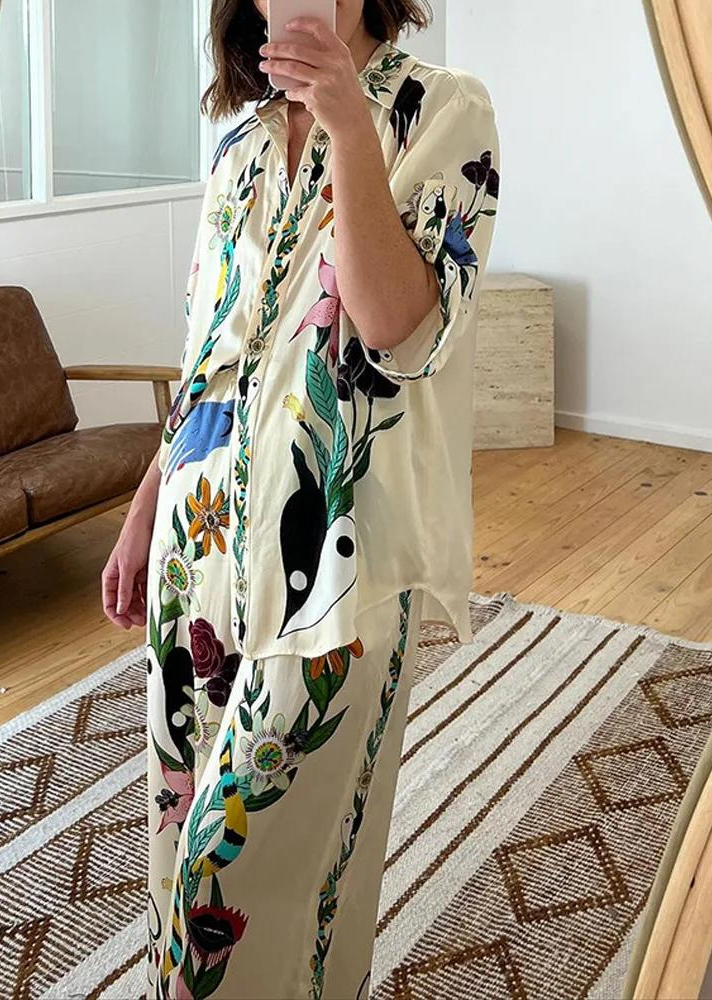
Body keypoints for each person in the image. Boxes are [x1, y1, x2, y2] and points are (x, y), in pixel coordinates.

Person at [102, 1, 499, 996]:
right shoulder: (236, 152)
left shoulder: (444, 110)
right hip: (197, 544)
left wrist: (349, 127)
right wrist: (144, 509)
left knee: (249, 866)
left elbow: (396, 324)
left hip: (343, 556)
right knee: (177, 834)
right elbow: (209, 356)